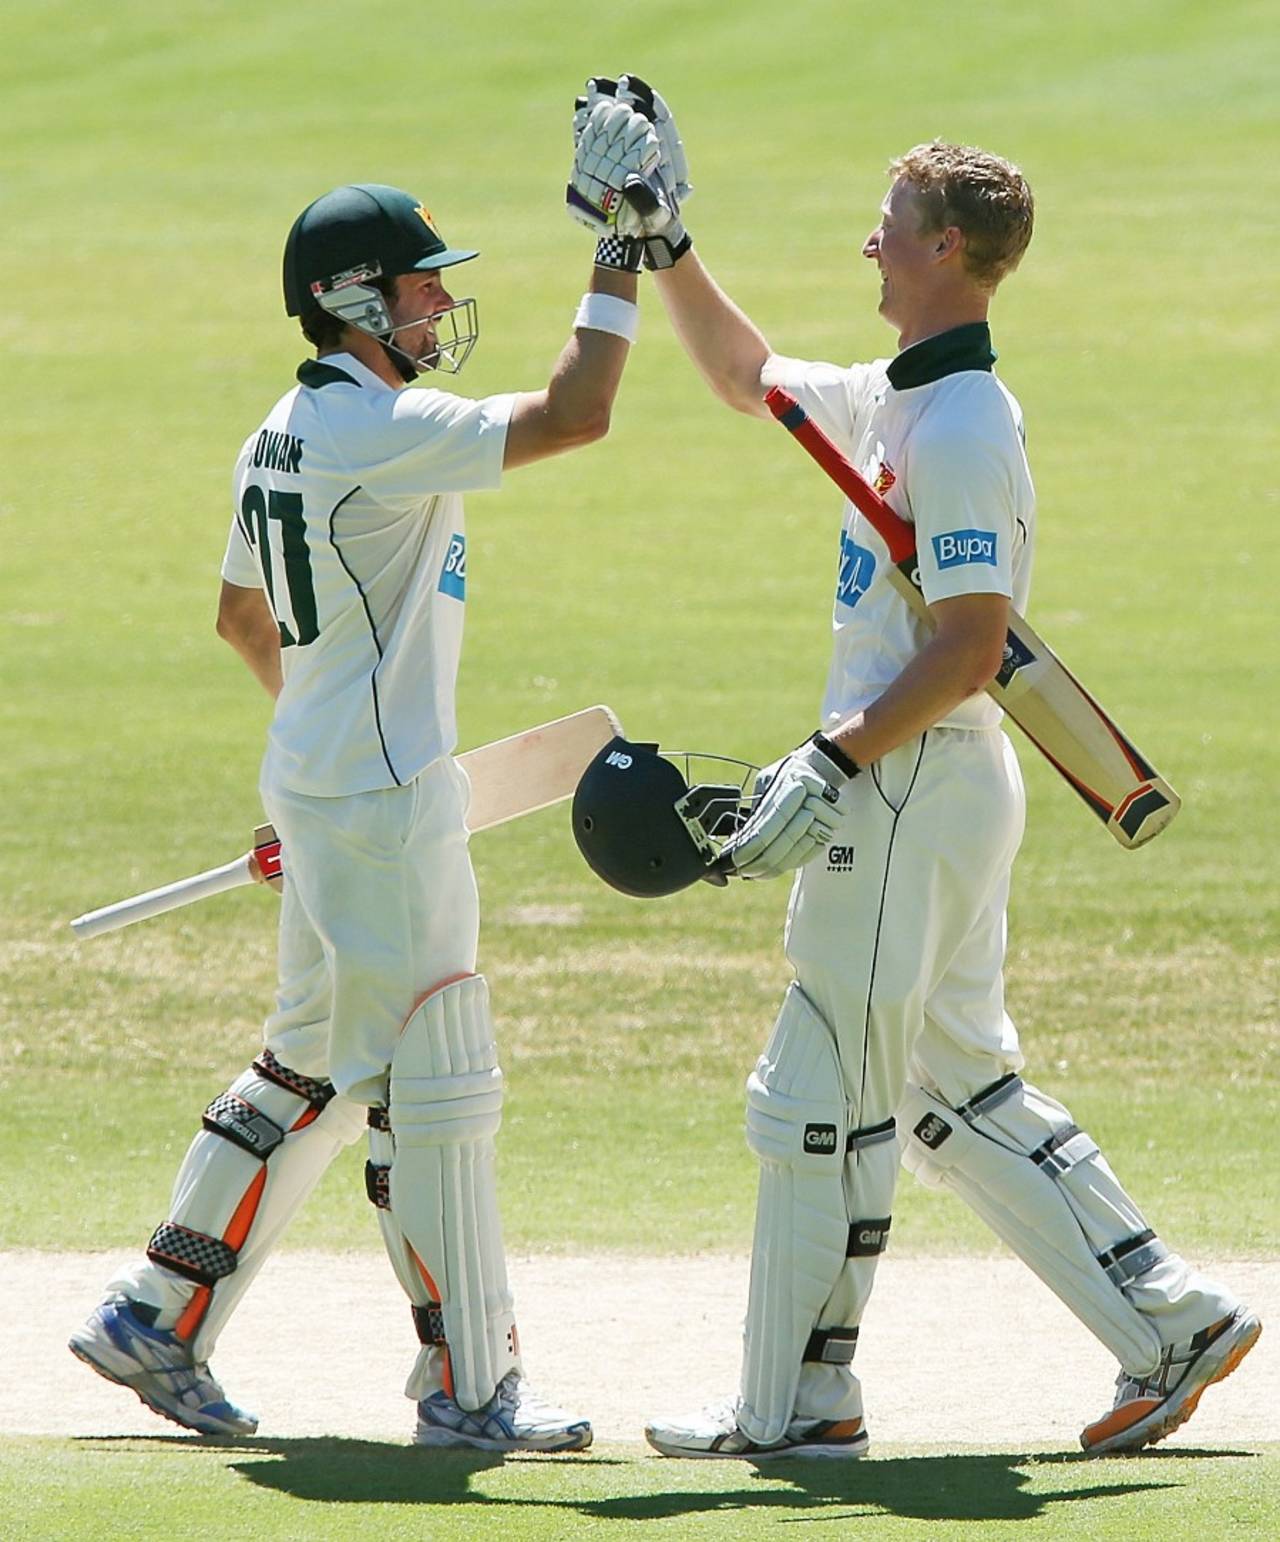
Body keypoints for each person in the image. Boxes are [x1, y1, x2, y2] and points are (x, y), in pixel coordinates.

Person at [596, 77, 1262, 1459]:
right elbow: (744, 377)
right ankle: (1171, 1315)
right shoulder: (895, 399)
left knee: (813, 1094)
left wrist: (831, 759)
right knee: (954, 1088)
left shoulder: (961, 432)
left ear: (949, 251)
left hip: (907, 786)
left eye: (890, 227)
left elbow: (969, 645)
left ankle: (794, 1402)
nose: (870, 246)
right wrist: (667, 245)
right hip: (934, 791)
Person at [69, 94, 665, 1454]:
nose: (434, 309)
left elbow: (239, 618)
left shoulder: (280, 425)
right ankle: (469, 1389)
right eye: (414, 288)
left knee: (311, 1066)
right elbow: (579, 410)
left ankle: (154, 1313)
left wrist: (325, 753)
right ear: (349, 298)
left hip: (336, 787)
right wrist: (625, 248)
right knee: (433, 1077)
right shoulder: (371, 429)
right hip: (382, 808)